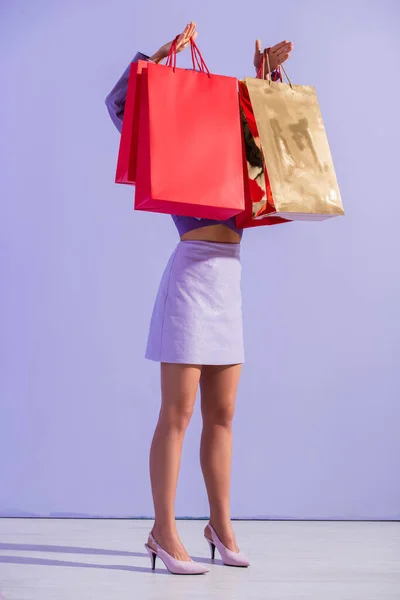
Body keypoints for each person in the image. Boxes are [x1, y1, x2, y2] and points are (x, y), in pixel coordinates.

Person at [105, 22, 293, 575]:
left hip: (228, 281)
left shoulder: (241, 150)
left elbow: (278, 155)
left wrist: (268, 80)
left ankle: (220, 524)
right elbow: (121, 104)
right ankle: (163, 531)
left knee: (224, 413)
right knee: (178, 412)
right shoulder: (177, 142)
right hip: (190, 279)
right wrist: (162, 59)